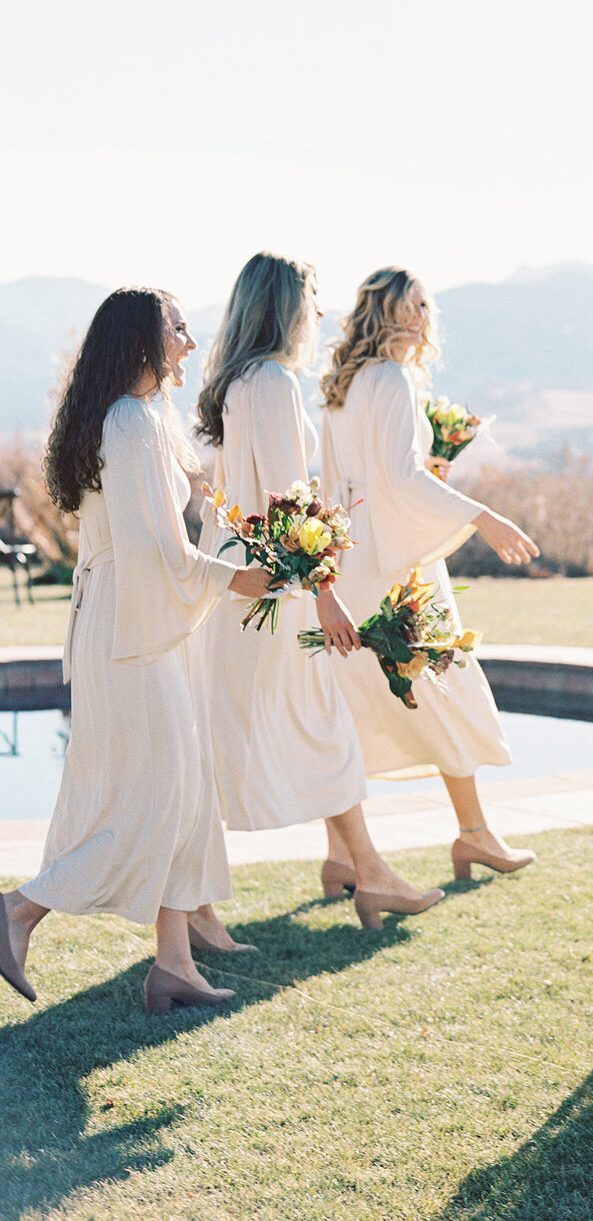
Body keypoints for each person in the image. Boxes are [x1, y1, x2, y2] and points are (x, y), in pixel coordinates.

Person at [0, 288, 273, 1014]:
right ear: (142, 343)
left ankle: (174, 965)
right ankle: (20, 910)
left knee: (179, 791)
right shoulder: (127, 421)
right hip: (131, 631)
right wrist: (236, 578)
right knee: (150, 799)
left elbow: (171, 535)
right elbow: (155, 549)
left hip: (141, 625)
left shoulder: (146, 418)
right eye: (177, 328)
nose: (190, 338)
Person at [191, 252, 442, 938]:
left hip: (246, 581)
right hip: (276, 589)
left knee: (241, 735)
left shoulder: (240, 381)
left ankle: (349, 870)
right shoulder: (270, 383)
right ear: (283, 306)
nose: (321, 312)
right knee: (316, 725)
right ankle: (366, 873)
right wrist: (326, 593)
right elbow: (288, 503)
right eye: (312, 298)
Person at [320, 267, 541, 883]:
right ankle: (474, 835)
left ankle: (339, 858)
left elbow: (352, 478)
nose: (420, 315)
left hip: (352, 551)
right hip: (394, 560)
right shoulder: (389, 376)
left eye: (424, 304)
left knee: (357, 695)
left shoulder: (343, 383)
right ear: (382, 313)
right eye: (407, 305)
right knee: (443, 681)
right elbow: (400, 475)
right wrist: (483, 516)